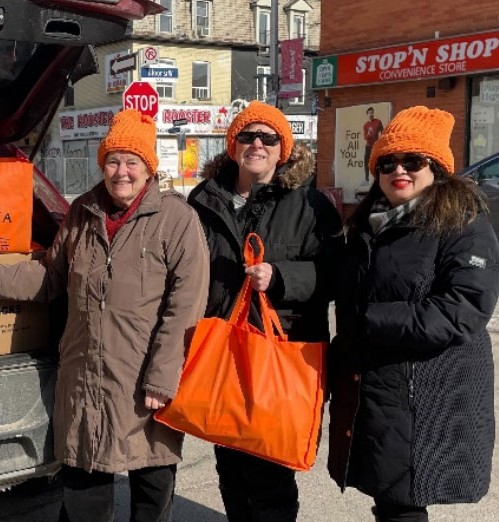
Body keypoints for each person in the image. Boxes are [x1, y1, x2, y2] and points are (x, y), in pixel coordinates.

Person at [0, 109, 210, 522]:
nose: (121, 172)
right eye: (113, 160)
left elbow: (186, 305)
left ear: (149, 168)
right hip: (85, 374)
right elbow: (52, 276)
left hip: (144, 378)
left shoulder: (176, 219)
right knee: (84, 490)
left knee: (152, 485)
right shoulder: (82, 213)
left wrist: (164, 377)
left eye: (132, 162)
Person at [328, 106, 499, 522]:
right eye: (387, 162)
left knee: (404, 501)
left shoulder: (463, 222)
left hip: (429, 390)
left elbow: (463, 310)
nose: (398, 170)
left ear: (436, 167)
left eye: (413, 161)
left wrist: (369, 319)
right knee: (390, 498)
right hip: (378, 388)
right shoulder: (367, 226)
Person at [186, 100, 343, 522]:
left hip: (282, 351)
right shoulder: (203, 199)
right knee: (229, 463)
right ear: (233, 144)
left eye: (268, 138)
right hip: (221, 349)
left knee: (271, 470)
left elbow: (335, 274)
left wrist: (281, 277)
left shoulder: (311, 205)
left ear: (283, 149)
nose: (257, 144)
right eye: (247, 136)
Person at [363, 107, 384, 183]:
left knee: (377, 162)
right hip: (368, 146)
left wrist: (381, 141)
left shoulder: (378, 122)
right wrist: (369, 134)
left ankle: (378, 178)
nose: (371, 114)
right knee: (366, 162)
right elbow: (365, 137)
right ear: (367, 114)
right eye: (369, 113)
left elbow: (382, 131)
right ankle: (366, 178)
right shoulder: (365, 125)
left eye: (372, 112)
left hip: (375, 146)